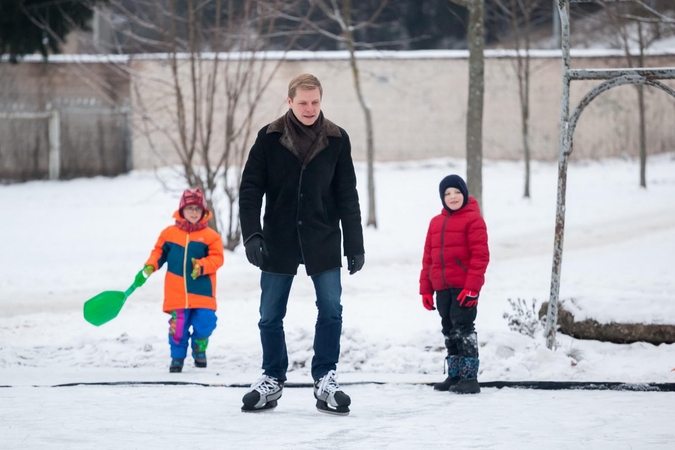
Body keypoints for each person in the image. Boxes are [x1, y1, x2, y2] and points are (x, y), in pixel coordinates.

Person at [239, 73, 365, 415]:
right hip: (278, 238)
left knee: (331, 310)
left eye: (315, 102)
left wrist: (355, 243)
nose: (310, 109)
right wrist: (251, 234)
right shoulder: (269, 138)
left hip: (322, 237)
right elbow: (250, 189)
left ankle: (325, 377)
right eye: (303, 102)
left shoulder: (337, 139)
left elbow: (346, 195)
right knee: (269, 315)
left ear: (320, 101)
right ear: (290, 101)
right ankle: (272, 377)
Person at [419, 174, 489, 394]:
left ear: (465, 194)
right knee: (448, 328)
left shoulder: (474, 220)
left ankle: (470, 378)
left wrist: (472, 288)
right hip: (442, 287)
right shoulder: (435, 222)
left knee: (464, 327)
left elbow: (481, 256)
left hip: (464, 287)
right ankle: (455, 374)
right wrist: (426, 289)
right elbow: (428, 258)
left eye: (457, 192)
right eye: (447, 193)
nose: (452, 197)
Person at [142, 187, 224, 373]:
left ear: (203, 211)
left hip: (203, 290)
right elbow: (159, 253)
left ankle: (199, 348)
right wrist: (151, 265)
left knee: (206, 322)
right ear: (182, 210)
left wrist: (202, 266)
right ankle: (177, 358)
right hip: (176, 291)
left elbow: (217, 258)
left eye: (197, 209)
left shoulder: (211, 237)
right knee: (177, 328)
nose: (193, 212)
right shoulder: (169, 234)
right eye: (189, 208)